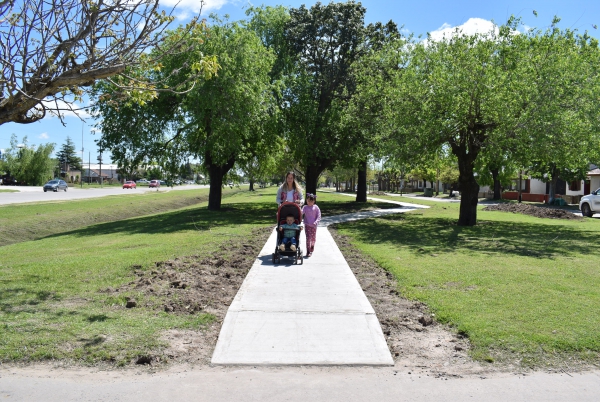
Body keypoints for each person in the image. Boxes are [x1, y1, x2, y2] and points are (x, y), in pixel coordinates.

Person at [302, 193, 321, 257]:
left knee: (313, 238)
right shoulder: (305, 207)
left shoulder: (316, 207)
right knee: (308, 238)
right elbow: (301, 212)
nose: (309, 202)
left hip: (314, 226)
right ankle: (308, 251)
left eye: (311, 201)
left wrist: (316, 222)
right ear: (306, 200)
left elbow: (319, 215)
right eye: (308, 201)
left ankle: (312, 246)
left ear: (314, 201)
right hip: (307, 225)